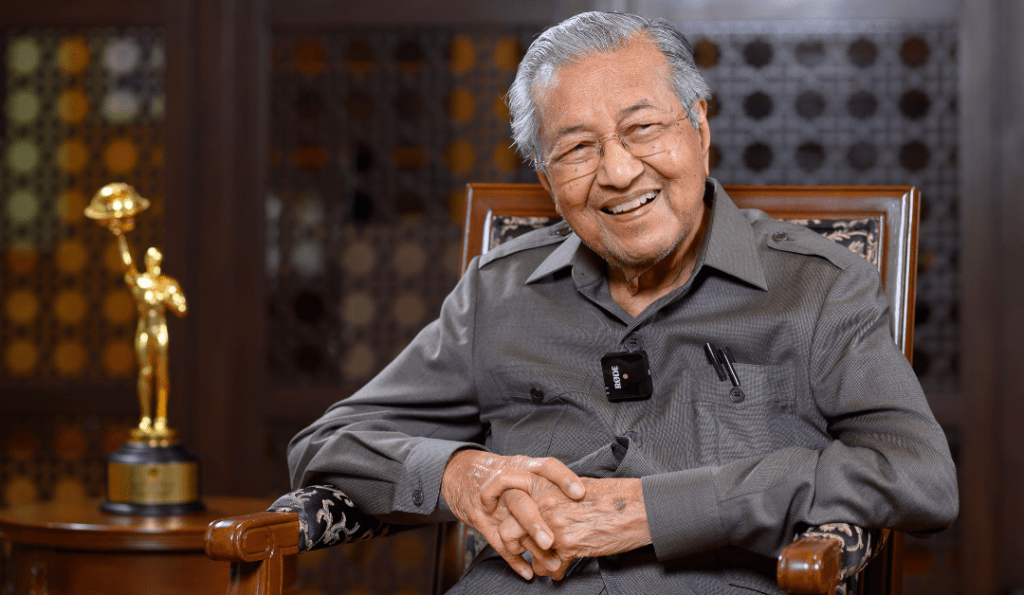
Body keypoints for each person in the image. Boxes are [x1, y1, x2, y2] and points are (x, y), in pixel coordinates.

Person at [289, 11, 957, 593]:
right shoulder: (496, 292)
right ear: (548, 180)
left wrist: (661, 509)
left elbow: (918, 475)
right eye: (578, 148)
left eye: (642, 128)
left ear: (699, 127)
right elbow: (325, 446)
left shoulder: (818, 285)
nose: (617, 171)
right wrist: (459, 473)